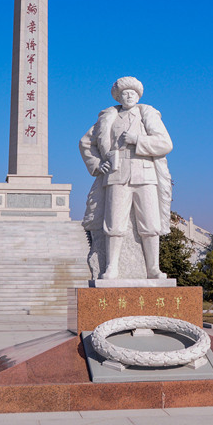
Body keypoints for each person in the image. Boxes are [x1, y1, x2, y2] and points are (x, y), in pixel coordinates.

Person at [79, 77, 172, 279]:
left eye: (133, 93)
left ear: (139, 96)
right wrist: (97, 164)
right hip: (116, 175)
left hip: (145, 175)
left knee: (150, 223)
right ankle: (111, 267)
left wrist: (137, 139)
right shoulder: (109, 117)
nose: (129, 96)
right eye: (124, 93)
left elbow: (165, 143)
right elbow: (86, 143)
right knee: (114, 223)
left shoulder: (146, 113)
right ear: (118, 96)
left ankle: (153, 268)